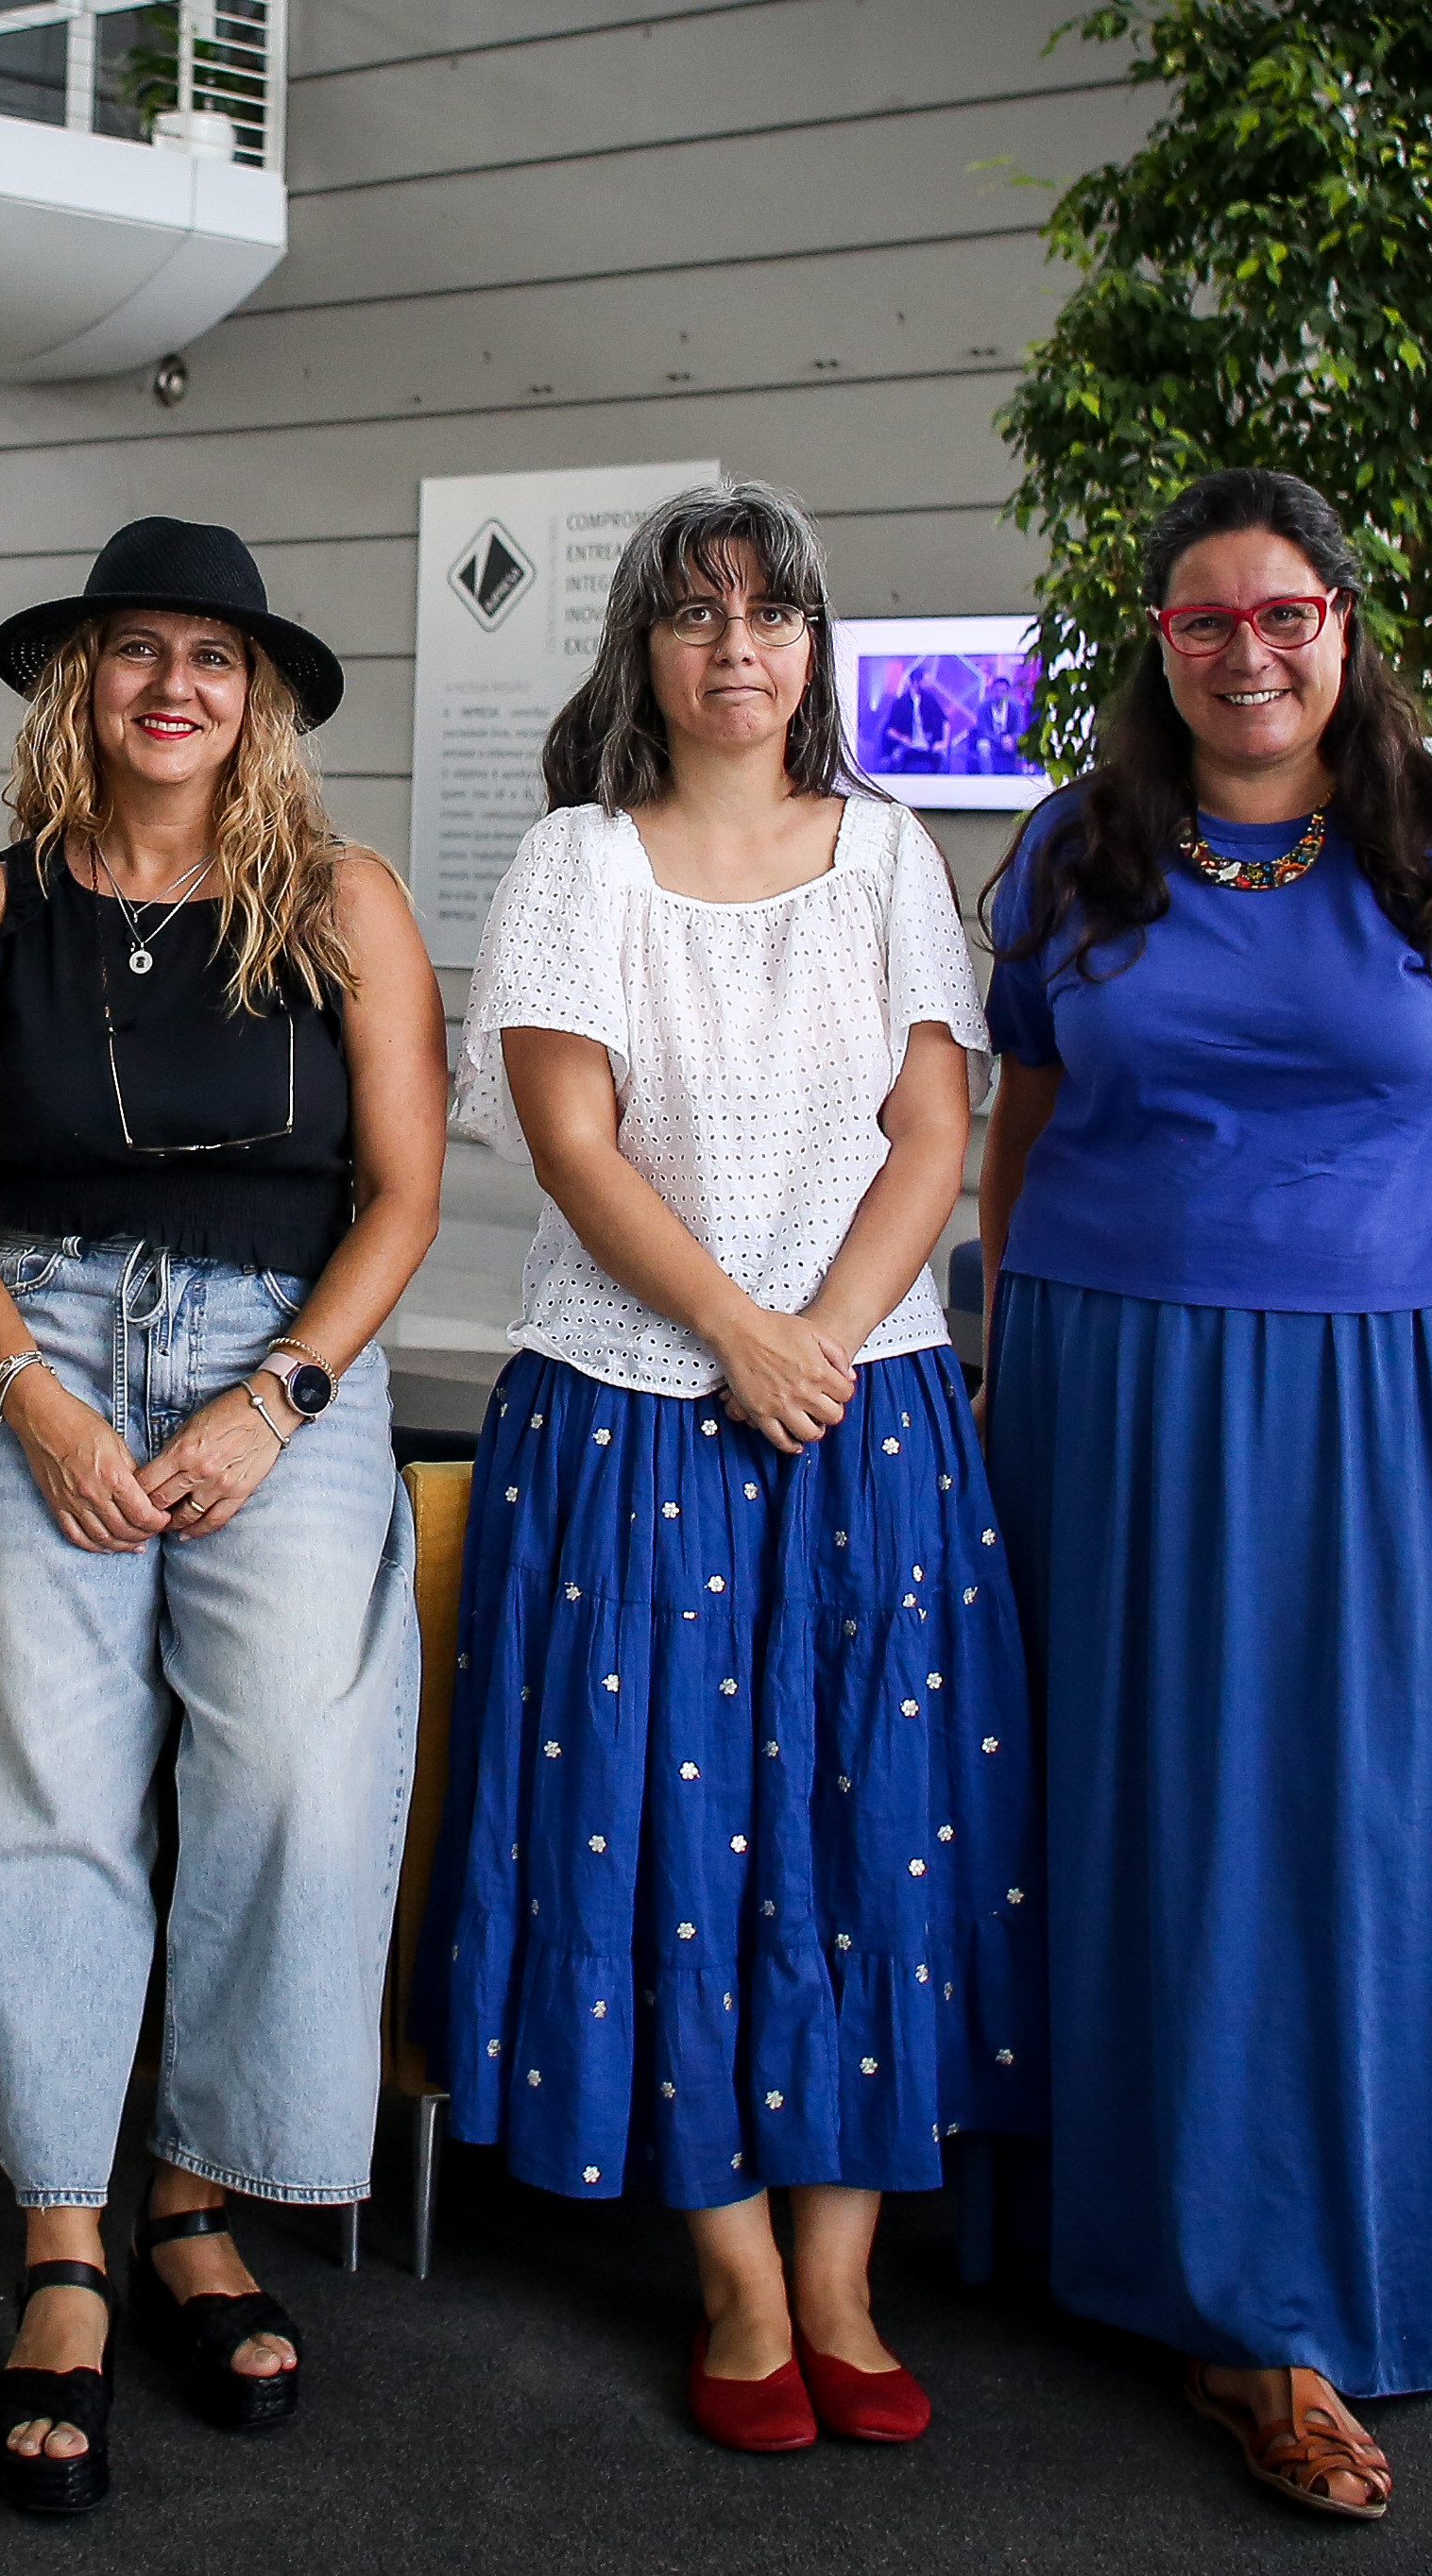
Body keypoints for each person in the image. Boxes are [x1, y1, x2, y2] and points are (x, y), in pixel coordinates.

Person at [979, 466, 1432, 2518]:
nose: (1249, 652)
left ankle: (1324, 2282)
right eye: (1203, 622)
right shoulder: (1078, 853)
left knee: (1367, 1828)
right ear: (1155, 650)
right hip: (1110, 1387)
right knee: (1135, 1813)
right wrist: (1017, 1361)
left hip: (1389, 1397)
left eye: (1286, 613)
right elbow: (1027, 1117)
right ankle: (1156, 2259)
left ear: (1346, 623)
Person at [416, 480, 1041, 2454]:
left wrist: (824, 1337)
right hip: (630, 1409)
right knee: (653, 1841)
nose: (737, 646)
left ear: (815, 648)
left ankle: (846, 2271)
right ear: (643, 650)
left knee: (875, 1822)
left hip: (873, 1404)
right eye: (697, 615)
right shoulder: (575, 864)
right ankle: (740, 2276)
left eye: (771, 614)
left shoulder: (889, 862)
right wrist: (740, 1335)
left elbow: (933, 1131)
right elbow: (573, 1141)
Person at [0, 517, 446, 2514]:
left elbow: (401, 1191)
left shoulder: (344, 899)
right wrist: (27, 1394)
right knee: (33, 1786)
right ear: (82, 684)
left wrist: (280, 1395)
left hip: (277, 1363)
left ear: (260, 694)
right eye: (138, 652)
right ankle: (62, 2242)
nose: (175, 688)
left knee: (291, 1767)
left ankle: (195, 2196)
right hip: (28, 1343)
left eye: (213, 657)